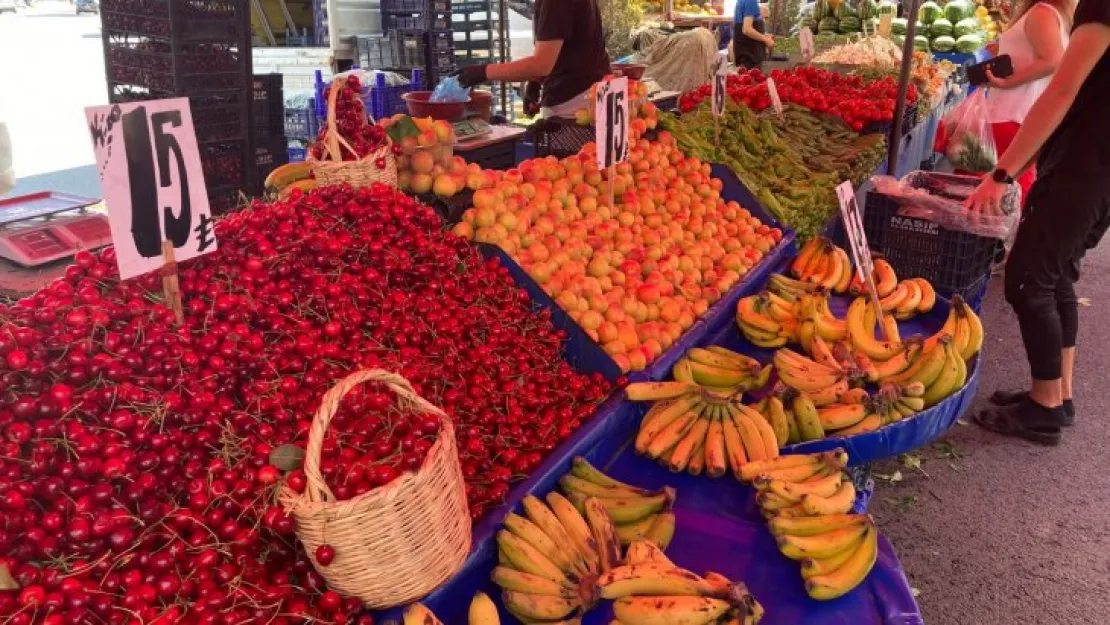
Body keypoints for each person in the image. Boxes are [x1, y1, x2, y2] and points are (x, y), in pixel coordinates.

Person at [967, 0, 1110, 445]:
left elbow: (1062, 90)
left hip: (1086, 163)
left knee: (1029, 277)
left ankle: (1045, 409)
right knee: (1057, 273)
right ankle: (1056, 394)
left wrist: (1001, 173)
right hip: (1094, 161)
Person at [981, 0, 1074, 200]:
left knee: (996, 193)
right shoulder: (1054, 13)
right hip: (1018, 115)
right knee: (1008, 193)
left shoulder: (1042, 12)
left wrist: (1008, 82)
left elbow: (1052, 60)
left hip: (1010, 116)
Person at [456, 0, 610, 118]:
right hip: (590, 95)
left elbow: (542, 64)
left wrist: (483, 72)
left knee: (572, 159)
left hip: (576, 103)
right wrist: (536, 82)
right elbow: (564, 49)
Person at [732, 0, 773, 68]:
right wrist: (766, 39)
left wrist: (763, 35)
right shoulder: (751, 1)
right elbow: (746, 29)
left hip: (745, 56)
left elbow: (743, 26)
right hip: (750, 58)